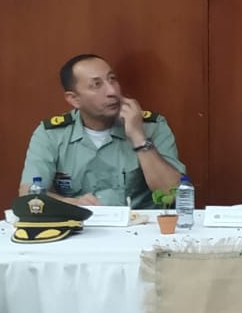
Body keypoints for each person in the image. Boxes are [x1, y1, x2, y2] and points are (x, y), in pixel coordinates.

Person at [19, 54, 184, 207]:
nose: (112, 91)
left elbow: (173, 193)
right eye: (96, 85)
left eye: (112, 80)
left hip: (141, 229)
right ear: (74, 99)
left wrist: (139, 137)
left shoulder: (152, 126)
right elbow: (30, 194)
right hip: (80, 230)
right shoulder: (51, 134)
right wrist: (73, 204)